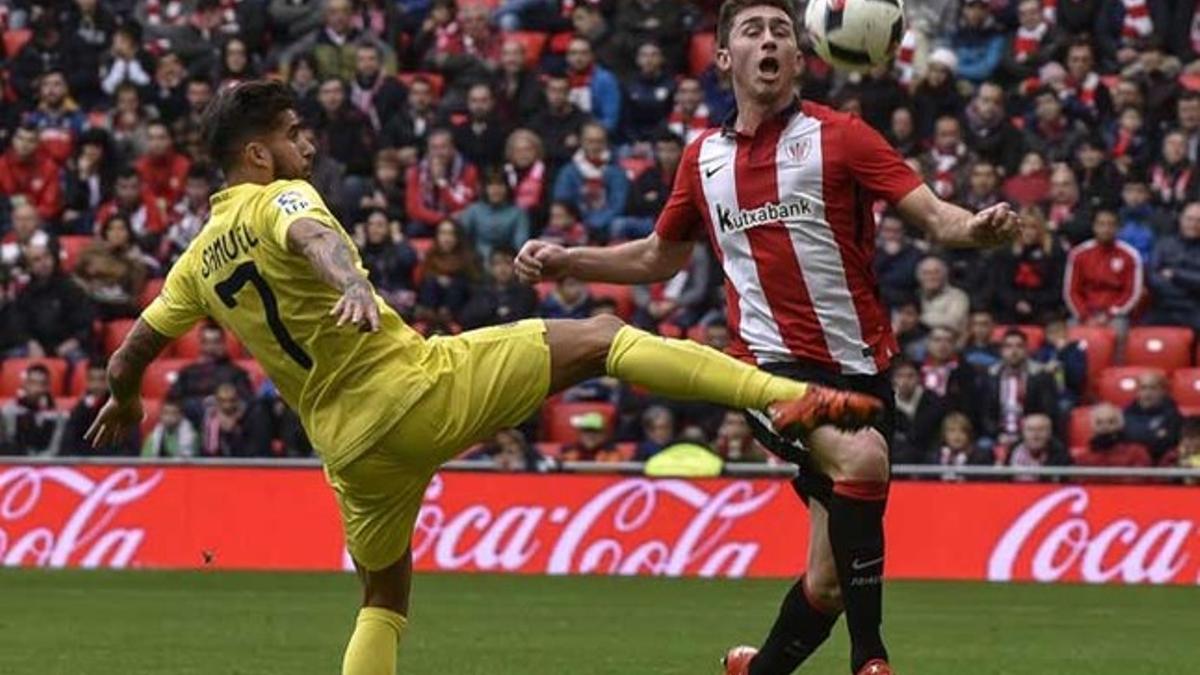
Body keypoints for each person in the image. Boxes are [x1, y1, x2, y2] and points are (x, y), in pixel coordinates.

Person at [86, 79, 880, 675]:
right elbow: (308, 235)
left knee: (382, 599)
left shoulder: (195, 257)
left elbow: (130, 355)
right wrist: (351, 282)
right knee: (602, 335)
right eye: (293, 135)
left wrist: (124, 396)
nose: (307, 147)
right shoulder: (281, 195)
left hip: (349, 452)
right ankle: (787, 392)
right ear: (257, 154)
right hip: (415, 388)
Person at [516, 3, 1019, 674]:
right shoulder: (704, 159)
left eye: (781, 30)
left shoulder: (844, 138)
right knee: (862, 458)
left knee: (829, 582)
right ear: (725, 58)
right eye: (752, 32)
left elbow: (934, 215)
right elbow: (657, 259)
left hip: (862, 371)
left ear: (802, 53)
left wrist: (976, 228)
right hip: (765, 368)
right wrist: (570, 260)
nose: (769, 40)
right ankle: (872, 659)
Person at [1064, 208, 1144, 336]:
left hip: (1116, 315)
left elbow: (1132, 293)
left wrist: (1110, 314)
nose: (1106, 229)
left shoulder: (1130, 255)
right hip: (1085, 312)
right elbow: (1071, 291)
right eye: (1101, 224)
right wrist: (1085, 315)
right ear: (1094, 227)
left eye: (1110, 225)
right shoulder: (1078, 254)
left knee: (1119, 330)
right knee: (1069, 330)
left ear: (1118, 228)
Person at [980, 329, 1060, 448]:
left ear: (1027, 350)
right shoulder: (990, 376)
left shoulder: (1041, 377)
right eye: (1009, 346)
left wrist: (1026, 436)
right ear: (1001, 351)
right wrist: (997, 435)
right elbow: (985, 415)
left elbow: (1047, 412)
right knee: (983, 446)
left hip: (1032, 435)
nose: (1014, 351)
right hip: (998, 435)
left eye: (1019, 346)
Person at [1072, 403, 1153, 482]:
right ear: (1092, 427)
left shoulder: (1137, 453)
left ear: (1120, 424)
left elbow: (1140, 481)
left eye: (1111, 422)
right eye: (1099, 423)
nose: (1105, 427)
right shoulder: (1083, 458)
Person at [1122, 371, 1183, 465]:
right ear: (1137, 392)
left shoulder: (1174, 418)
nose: (1147, 393)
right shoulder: (1124, 415)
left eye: (1153, 388)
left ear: (1163, 391)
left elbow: (1168, 445)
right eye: (1143, 388)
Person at [1006, 413, 1071, 482]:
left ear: (1049, 433)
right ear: (1023, 432)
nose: (1035, 435)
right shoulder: (1013, 450)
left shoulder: (1060, 454)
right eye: (1030, 430)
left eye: (1041, 430)